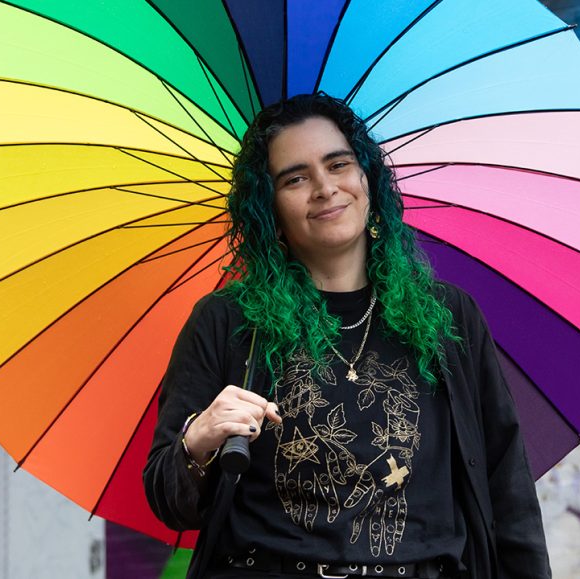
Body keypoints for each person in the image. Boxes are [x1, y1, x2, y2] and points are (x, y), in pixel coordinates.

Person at [143, 93, 550, 578]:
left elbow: (508, 486)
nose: (324, 188)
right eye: (295, 178)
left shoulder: (447, 316)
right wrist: (199, 441)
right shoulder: (227, 322)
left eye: (338, 164)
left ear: (367, 179)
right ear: (268, 207)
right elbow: (170, 501)